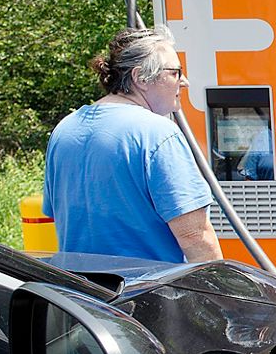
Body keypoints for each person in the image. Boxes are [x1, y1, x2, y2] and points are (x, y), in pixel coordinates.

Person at [44, 27, 221, 264]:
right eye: (176, 72)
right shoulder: (158, 134)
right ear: (140, 78)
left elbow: (59, 216)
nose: (184, 82)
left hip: (79, 292)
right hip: (144, 292)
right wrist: (222, 297)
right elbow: (195, 237)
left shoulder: (65, 129)